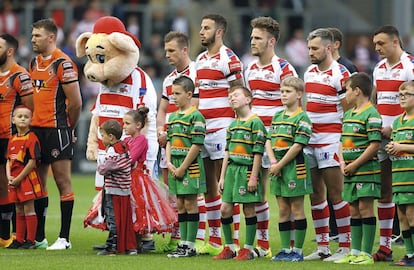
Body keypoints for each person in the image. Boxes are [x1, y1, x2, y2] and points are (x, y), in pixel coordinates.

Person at [244, 16, 298, 258]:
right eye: (252, 36)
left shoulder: (284, 68)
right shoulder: (250, 68)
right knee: (257, 192)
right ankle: (264, 245)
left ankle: (293, 247)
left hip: (279, 140)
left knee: (286, 196)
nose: (252, 41)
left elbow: (295, 104)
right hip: (256, 139)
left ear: (271, 41)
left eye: (257, 38)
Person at [29, 18, 82, 250]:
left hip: (57, 129)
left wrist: (69, 129)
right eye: (32, 35)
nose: (33, 39)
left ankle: (64, 238)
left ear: (51, 37)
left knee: (63, 182)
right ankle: (40, 237)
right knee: (38, 184)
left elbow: (76, 103)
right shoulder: (34, 62)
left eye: (37, 36)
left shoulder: (64, 63)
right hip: (35, 129)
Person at [195, 14, 244, 256]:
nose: (201, 31)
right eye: (201, 27)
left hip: (223, 127)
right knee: (208, 187)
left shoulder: (229, 59)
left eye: (207, 28)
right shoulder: (200, 59)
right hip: (203, 128)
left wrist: (237, 127)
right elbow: (198, 95)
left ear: (220, 32)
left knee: (225, 186)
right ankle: (214, 239)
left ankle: (230, 241)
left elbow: (240, 94)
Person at [303, 28, 352, 262]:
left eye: (315, 48)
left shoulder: (340, 74)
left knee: (336, 194)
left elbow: (348, 111)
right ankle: (322, 246)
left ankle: (345, 246)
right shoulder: (309, 73)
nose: (310, 52)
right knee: (315, 195)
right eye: (309, 48)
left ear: (329, 48)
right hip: (310, 141)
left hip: (331, 140)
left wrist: (344, 142)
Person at [157, 31, 206, 252]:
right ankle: (180, 239)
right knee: (176, 195)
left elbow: (193, 109)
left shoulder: (197, 73)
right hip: (171, 142)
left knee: (195, 195)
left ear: (184, 50)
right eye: (165, 50)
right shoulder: (169, 80)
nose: (167, 55)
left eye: (171, 50)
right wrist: (161, 131)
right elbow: (162, 110)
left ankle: (200, 238)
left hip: (187, 142)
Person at [372, 25, 414, 261]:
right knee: (386, 192)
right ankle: (386, 246)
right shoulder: (378, 68)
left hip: (405, 136)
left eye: (381, 43)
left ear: (395, 42)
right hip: (382, 138)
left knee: (409, 193)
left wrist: (396, 127)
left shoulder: (410, 66)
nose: (377, 48)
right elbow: (376, 99)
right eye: (375, 44)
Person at [213, 85, 266, 260]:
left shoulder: (255, 122)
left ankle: (248, 249)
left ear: (248, 99)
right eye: (229, 97)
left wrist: (253, 176)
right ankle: (229, 247)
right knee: (225, 209)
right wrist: (221, 177)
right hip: (231, 172)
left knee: (248, 209)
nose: (232, 99)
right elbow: (227, 152)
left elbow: (258, 152)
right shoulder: (233, 124)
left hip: (247, 170)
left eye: (235, 95)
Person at [333, 73, 381, 265]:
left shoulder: (372, 114)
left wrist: (355, 164)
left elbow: (374, 145)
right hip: (350, 169)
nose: (345, 95)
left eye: (347, 90)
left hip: (366, 170)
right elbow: (342, 142)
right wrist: (343, 162)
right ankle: (354, 251)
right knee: (353, 209)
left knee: (365, 207)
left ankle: (367, 253)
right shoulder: (348, 114)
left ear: (357, 91)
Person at [265, 76, 312, 262]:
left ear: (299, 94)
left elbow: (297, 146)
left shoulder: (303, 117)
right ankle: (285, 249)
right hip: (277, 165)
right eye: (282, 91)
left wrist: (279, 164)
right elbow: (268, 140)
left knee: (297, 208)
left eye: (288, 91)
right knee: (283, 209)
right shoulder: (277, 116)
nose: (283, 95)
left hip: (294, 166)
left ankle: (298, 251)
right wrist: (272, 161)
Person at [124, 107, 176, 253]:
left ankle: (138, 242)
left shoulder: (141, 139)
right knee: (130, 209)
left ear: (138, 125)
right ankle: (131, 241)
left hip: (137, 179)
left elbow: (130, 158)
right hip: (127, 178)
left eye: (127, 123)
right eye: (124, 123)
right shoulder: (127, 139)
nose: (124, 126)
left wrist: (116, 161)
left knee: (139, 209)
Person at [166, 76, 206, 258]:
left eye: (177, 93)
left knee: (190, 203)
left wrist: (182, 167)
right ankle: (183, 243)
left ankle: (190, 244)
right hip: (174, 164)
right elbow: (168, 141)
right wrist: (168, 162)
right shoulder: (172, 116)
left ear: (189, 94)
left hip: (189, 166)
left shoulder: (196, 116)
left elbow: (197, 145)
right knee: (180, 204)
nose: (173, 97)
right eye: (172, 93)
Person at [0, 33, 34, 248]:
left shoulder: (20, 76)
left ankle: (11, 235)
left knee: (10, 187)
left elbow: (30, 107)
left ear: (10, 51)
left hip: (10, 139)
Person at [325, 27, 358, 242]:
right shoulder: (314, 70)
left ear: (335, 44)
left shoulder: (346, 68)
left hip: (339, 134)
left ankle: (343, 231)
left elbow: (353, 100)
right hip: (323, 137)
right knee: (325, 189)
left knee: (340, 186)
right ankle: (333, 229)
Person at [96, 119, 136, 256]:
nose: (102, 139)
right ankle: (129, 246)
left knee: (113, 218)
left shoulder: (113, 150)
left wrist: (100, 165)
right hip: (125, 189)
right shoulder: (124, 146)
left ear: (111, 136)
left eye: (103, 135)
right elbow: (132, 164)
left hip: (114, 190)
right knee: (125, 218)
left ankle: (111, 247)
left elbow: (105, 168)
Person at [6, 105, 42, 249]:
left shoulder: (32, 138)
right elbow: (9, 160)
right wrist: (9, 177)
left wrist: (19, 178)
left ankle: (31, 240)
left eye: (26, 117)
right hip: (14, 179)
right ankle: (19, 239)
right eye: (19, 116)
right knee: (18, 208)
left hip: (27, 178)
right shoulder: (12, 139)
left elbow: (33, 161)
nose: (22, 119)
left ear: (30, 120)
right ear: (13, 120)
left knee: (28, 208)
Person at [386, 81, 414, 266]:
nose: (402, 97)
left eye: (407, 94)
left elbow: (403, 146)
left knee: (412, 215)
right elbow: (397, 146)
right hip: (399, 176)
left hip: (412, 177)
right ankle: (409, 254)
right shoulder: (397, 121)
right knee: (402, 216)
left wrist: (400, 146)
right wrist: (391, 148)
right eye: (400, 94)